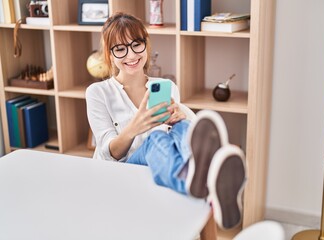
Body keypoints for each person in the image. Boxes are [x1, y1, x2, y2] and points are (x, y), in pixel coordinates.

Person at [85, 12, 247, 230]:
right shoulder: (98, 92)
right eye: (120, 48)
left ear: (146, 45)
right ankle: (203, 181)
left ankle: (205, 175)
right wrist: (135, 127)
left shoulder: (165, 86)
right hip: (122, 171)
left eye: (136, 44)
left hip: (160, 165)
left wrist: (179, 117)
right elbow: (107, 154)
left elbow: (175, 139)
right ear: (110, 54)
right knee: (157, 137)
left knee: (180, 127)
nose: (131, 55)